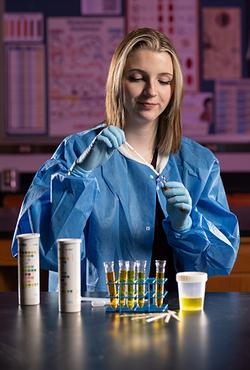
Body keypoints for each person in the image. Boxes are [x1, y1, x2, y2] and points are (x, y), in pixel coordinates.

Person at [11, 28, 239, 294]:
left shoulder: (199, 164)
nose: (151, 91)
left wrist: (185, 227)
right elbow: (41, 250)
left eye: (164, 81)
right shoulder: (76, 152)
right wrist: (79, 176)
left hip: (169, 318)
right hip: (91, 321)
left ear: (174, 88)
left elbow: (217, 261)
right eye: (137, 78)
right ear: (118, 82)